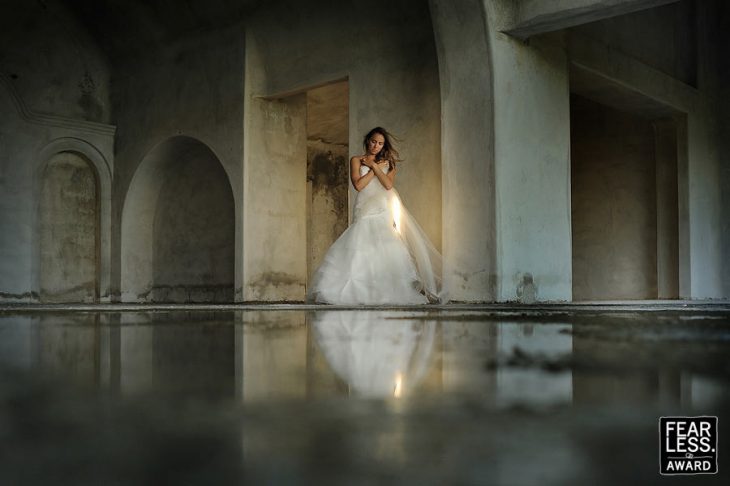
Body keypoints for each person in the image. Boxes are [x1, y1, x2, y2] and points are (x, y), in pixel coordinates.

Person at [307, 127, 447, 304]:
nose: (376, 146)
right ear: (367, 141)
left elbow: (388, 185)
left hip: (382, 207)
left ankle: (383, 291)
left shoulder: (390, 163)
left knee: (384, 244)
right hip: (364, 205)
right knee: (360, 242)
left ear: (383, 145)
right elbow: (358, 185)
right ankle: (355, 291)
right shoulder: (356, 160)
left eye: (380, 143)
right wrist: (373, 168)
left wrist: (374, 165)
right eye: (374, 141)